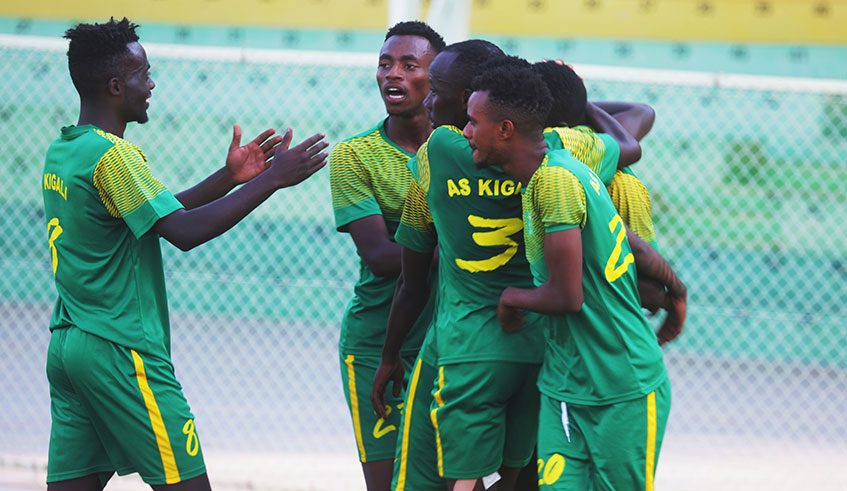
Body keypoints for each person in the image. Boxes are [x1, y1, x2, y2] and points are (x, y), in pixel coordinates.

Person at [42, 18, 327, 491]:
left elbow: (151, 213)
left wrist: (228, 176)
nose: (151, 84)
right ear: (116, 86)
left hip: (70, 346)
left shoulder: (66, 149)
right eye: (143, 74)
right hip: (121, 350)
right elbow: (183, 232)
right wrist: (271, 179)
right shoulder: (113, 156)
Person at [372, 46, 668, 491]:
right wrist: (563, 101)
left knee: (441, 477)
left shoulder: (438, 154)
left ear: (486, 110)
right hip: (550, 354)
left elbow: (410, 274)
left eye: (440, 92)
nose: (429, 102)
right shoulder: (579, 159)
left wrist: (391, 352)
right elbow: (633, 133)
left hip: (469, 346)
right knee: (523, 477)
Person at [462, 59, 686, 490]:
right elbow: (626, 242)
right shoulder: (549, 175)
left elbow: (568, 297)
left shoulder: (556, 179)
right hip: (564, 386)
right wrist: (677, 291)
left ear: (506, 129)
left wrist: (511, 299)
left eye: (473, 122)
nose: (465, 132)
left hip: (622, 389)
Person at [327, 20, 446, 491]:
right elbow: (379, 255)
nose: (392, 74)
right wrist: (467, 245)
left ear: (439, 78)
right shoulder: (355, 155)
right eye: (384, 64)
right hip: (378, 342)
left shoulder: (465, 147)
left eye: (408, 65)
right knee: (390, 482)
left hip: (449, 340)